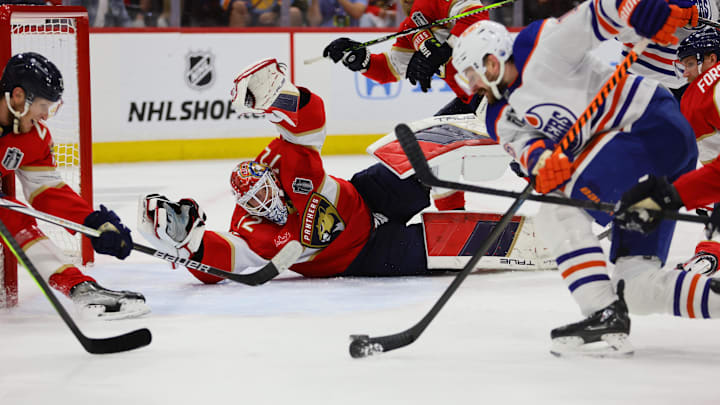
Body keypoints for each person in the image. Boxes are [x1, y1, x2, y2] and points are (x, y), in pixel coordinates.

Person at [450, 1, 699, 355]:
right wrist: (542, 161)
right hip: (638, 167)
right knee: (638, 288)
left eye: (471, 75)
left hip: (647, 127)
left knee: (557, 207)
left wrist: (636, 9)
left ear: (490, 61)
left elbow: (597, 14)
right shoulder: (496, 112)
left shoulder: (539, 46)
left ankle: (601, 312)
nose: (471, 86)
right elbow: (524, 146)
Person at [137, 58, 455, 285]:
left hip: (366, 196)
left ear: (269, 177)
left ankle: (478, 102)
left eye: (263, 189)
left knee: (426, 146)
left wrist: (281, 98)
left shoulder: (282, 159)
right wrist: (190, 244)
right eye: (253, 199)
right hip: (361, 254)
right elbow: (227, 258)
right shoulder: (251, 230)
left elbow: (310, 122)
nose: (262, 200)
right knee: (453, 248)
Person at [0, 52, 148, 320]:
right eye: (43, 105)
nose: (45, 115)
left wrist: (94, 222)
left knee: (11, 213)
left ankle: (79, 288)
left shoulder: (35, 138)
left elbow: (47, 191)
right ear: (19, 97)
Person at [321, 0, 490, 211]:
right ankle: (452, 216)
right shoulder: (411, 27)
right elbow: (389, 69)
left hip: (498, 92)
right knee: (433, 149)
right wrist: (360, 59)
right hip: (473, 101)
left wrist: (445, 49)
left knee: (435, 148)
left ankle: (452, 215)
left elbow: (476, 14)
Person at [616, 29, 720, 277]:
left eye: (691, 64)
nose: (685, 73)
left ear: (712, 60)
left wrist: (672, 195)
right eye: (683, 65)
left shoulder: (707, 90)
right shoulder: (696, 96)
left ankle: (711, 250)